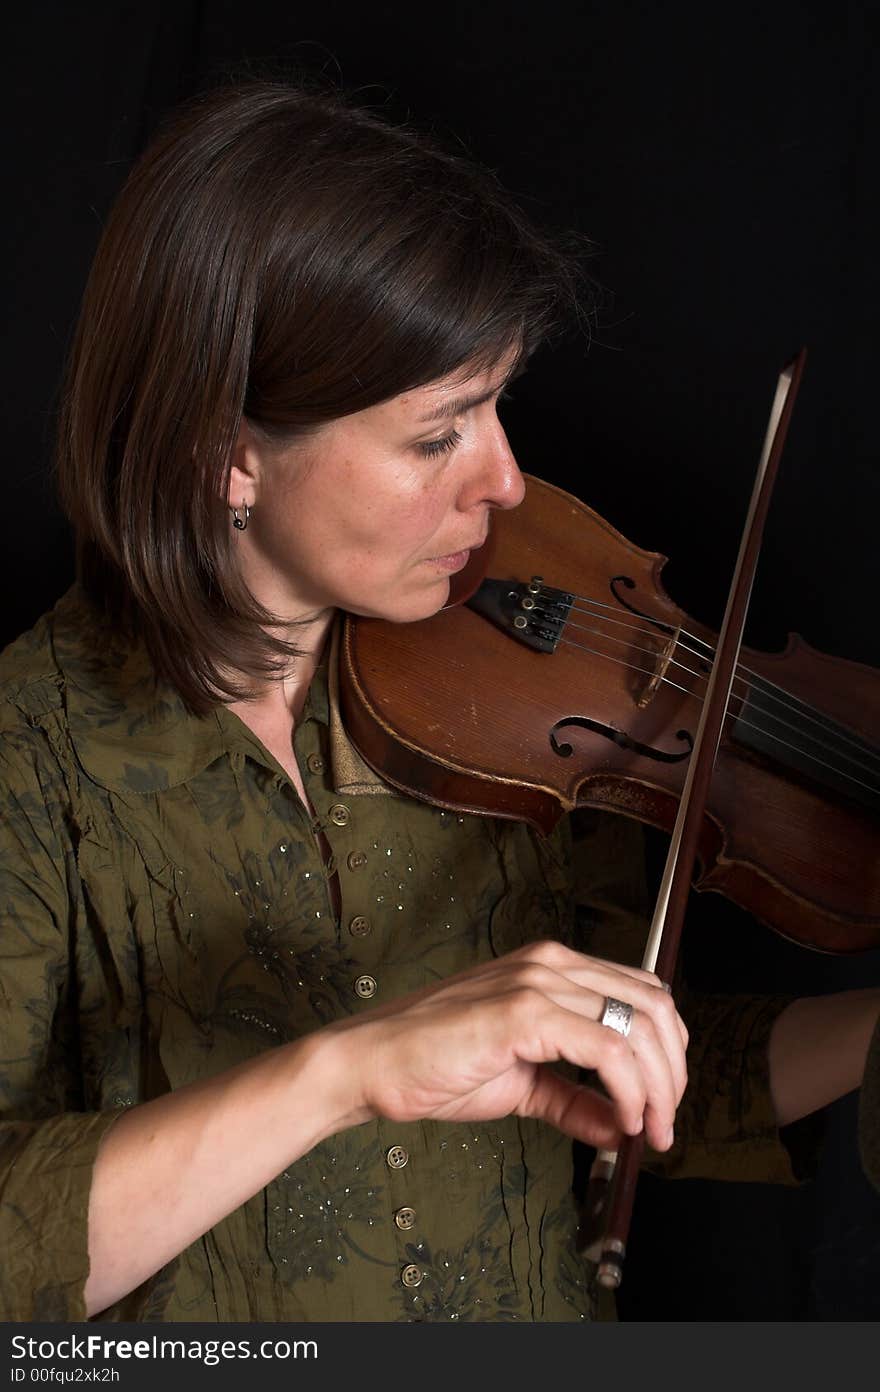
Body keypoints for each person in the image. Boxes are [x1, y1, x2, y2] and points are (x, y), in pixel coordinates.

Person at [1, 79, 878, 1325]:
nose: (509, 485)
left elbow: (627, 1064)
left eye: (498, 404)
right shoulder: (29, 762)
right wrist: (347, 1071)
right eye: (438, 435)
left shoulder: (516, 705)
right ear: (227, 453)